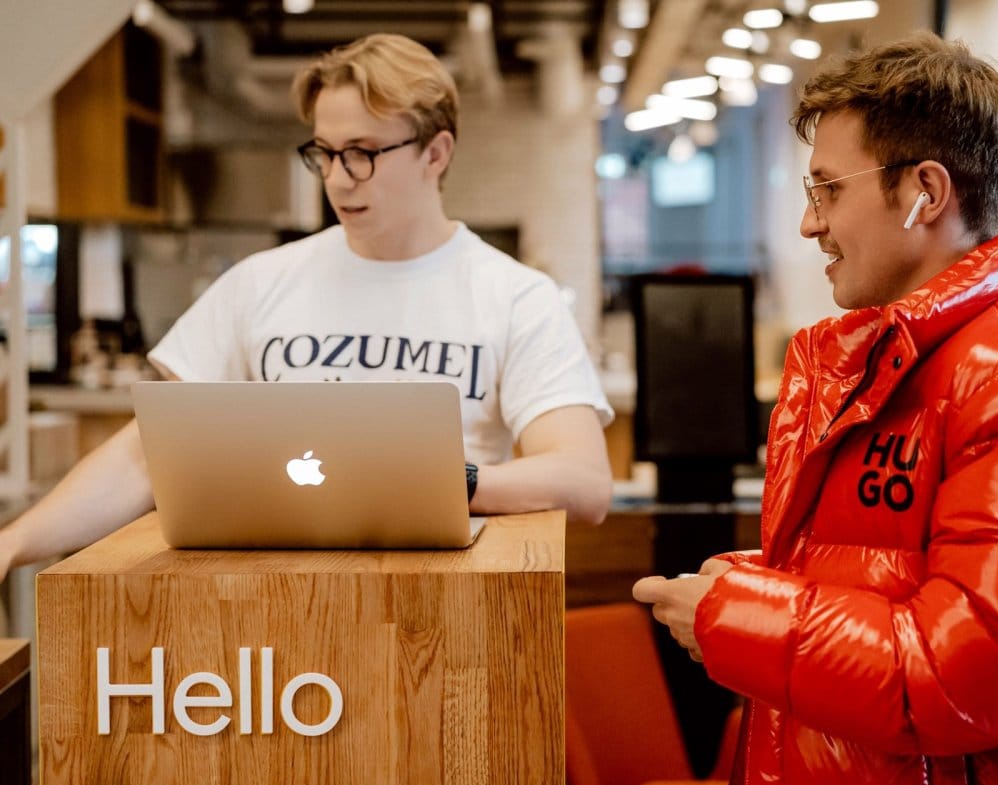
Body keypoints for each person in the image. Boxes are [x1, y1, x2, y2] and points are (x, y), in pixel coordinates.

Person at [633, 33, 998, 785]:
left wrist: (738, 615)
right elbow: (901, 587)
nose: (808, 224)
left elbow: (974, 671)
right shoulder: (896, 365)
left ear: (925, 190)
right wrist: (764, 584)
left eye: (828, 190)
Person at [0, 33, 613, 581]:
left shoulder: (513, 296)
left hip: (439, 618)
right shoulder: (262, 283)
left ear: (436, 152)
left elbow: (584, 483)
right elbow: (143, 457)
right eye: (325, 152)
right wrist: (13, 543)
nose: (340, 179)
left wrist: (449, 483)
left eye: (364, 152)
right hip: (272, 618)